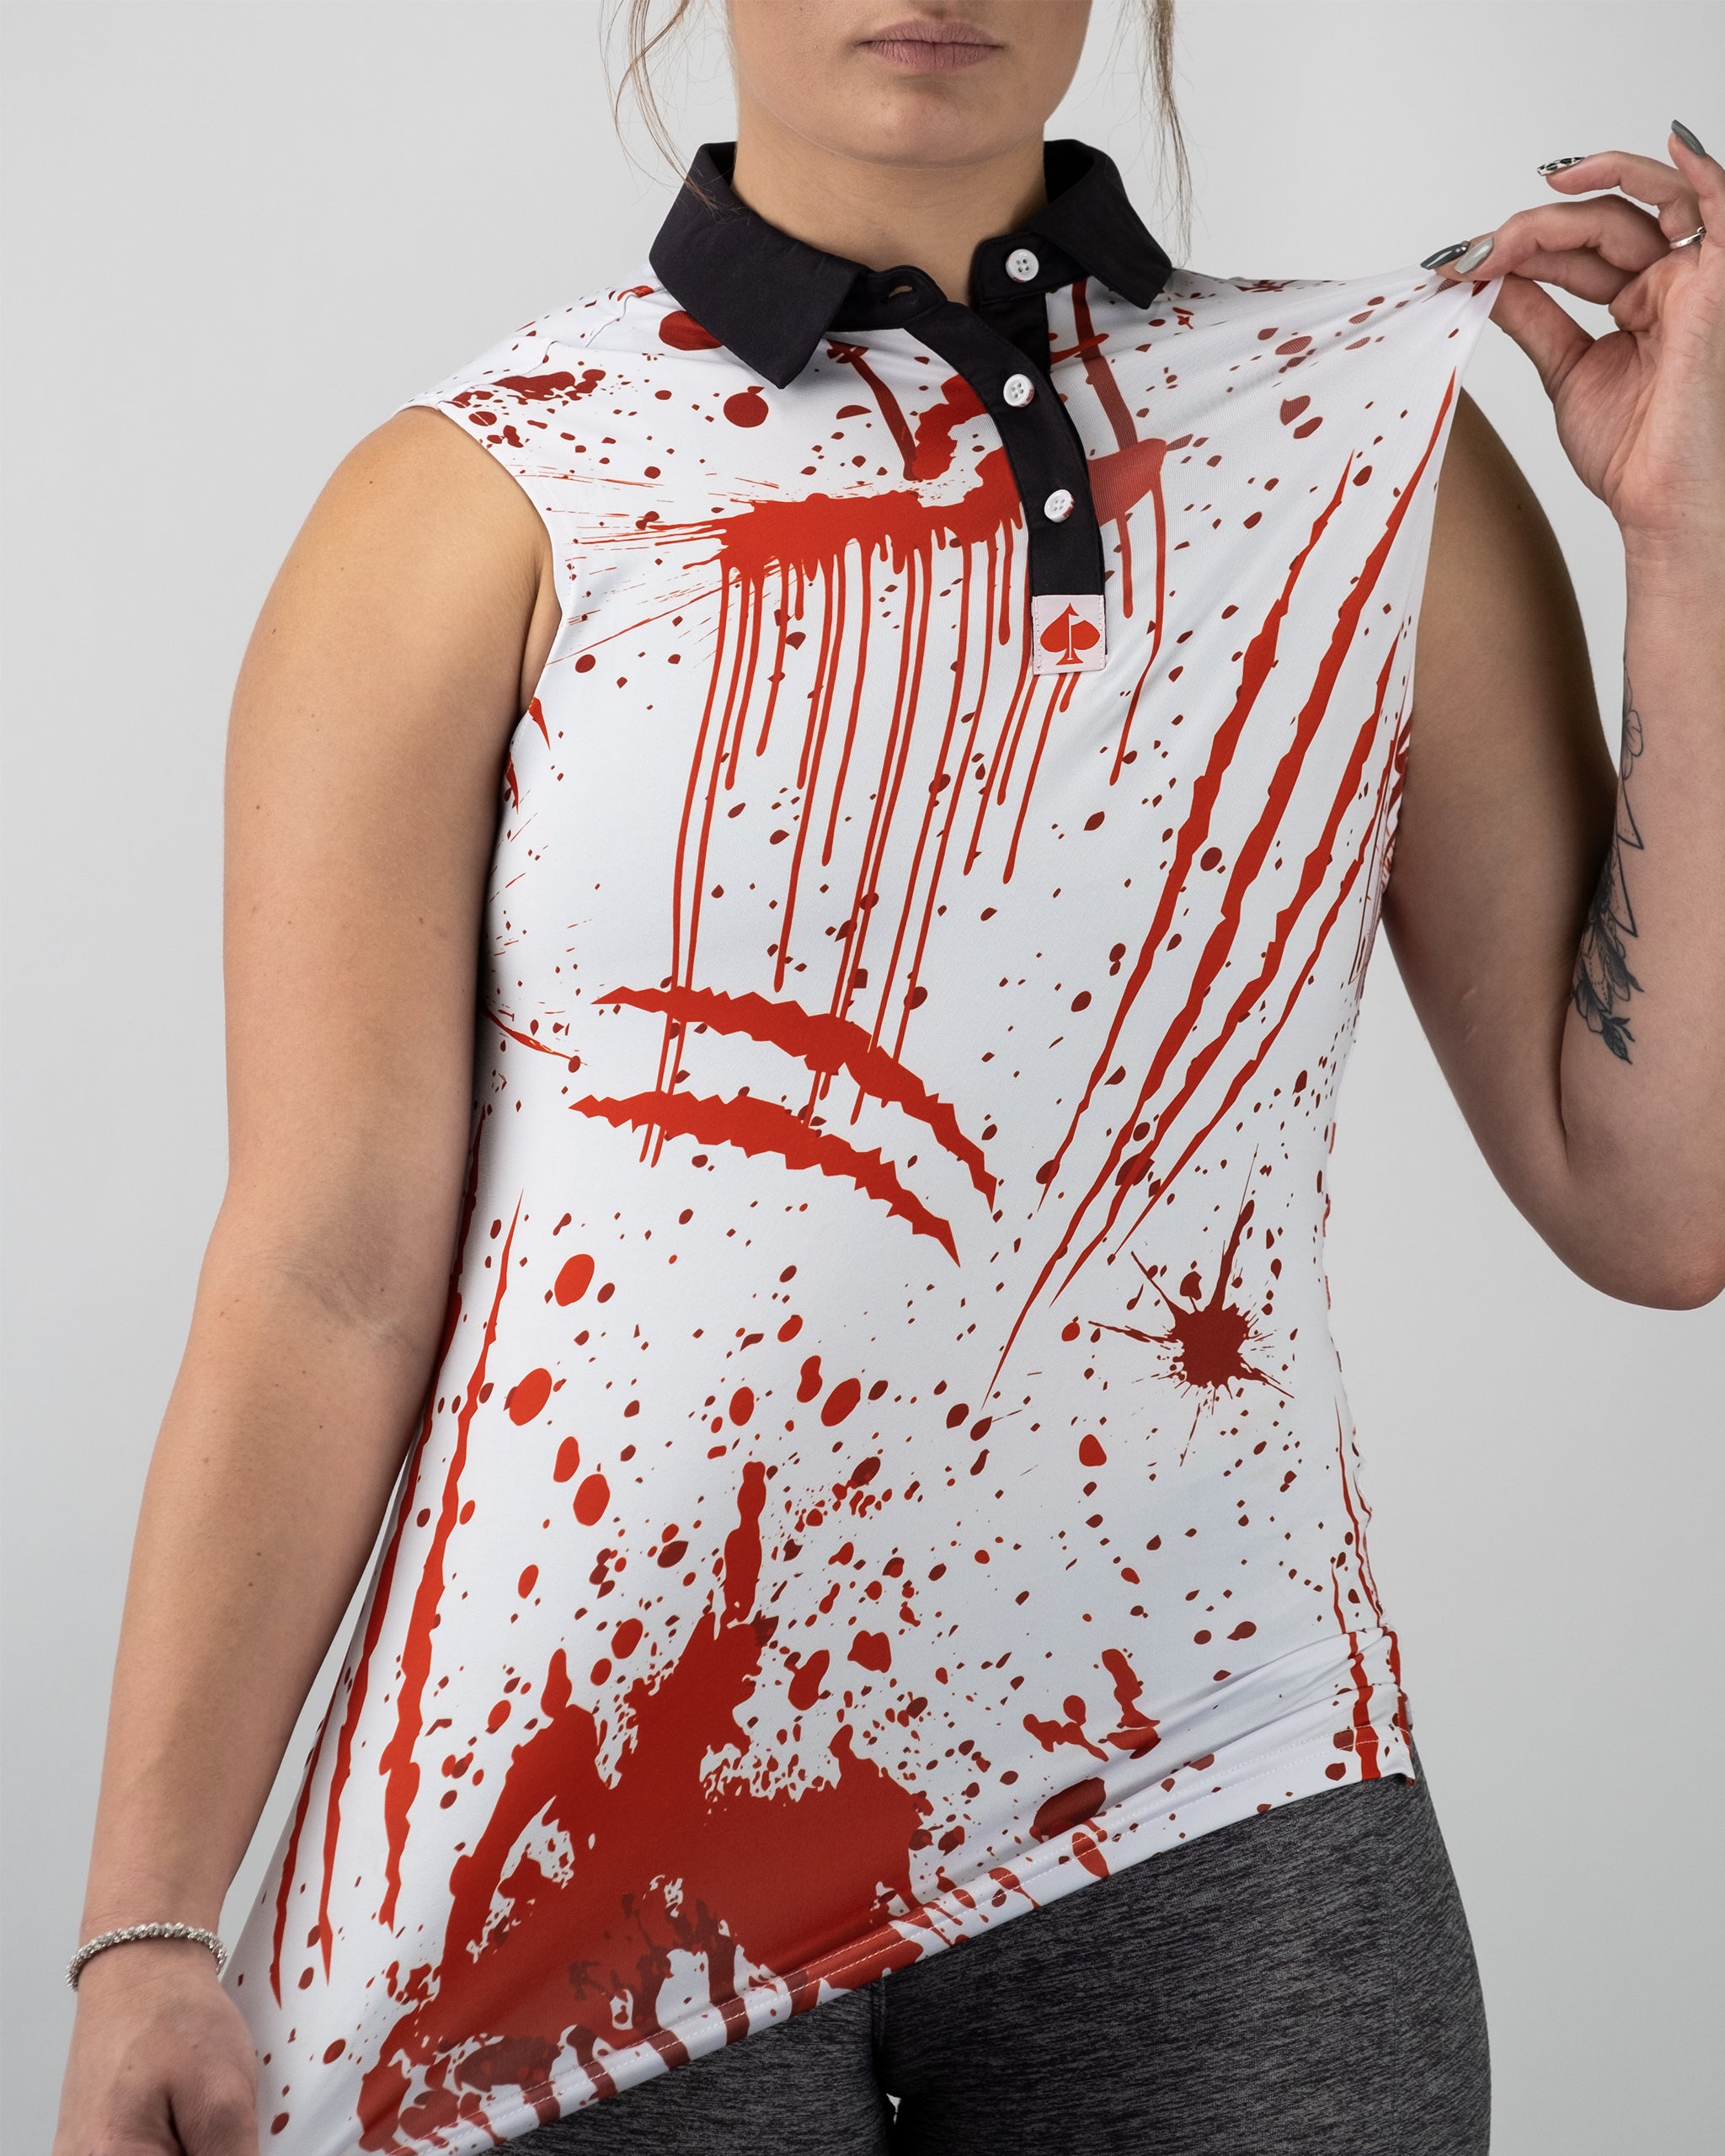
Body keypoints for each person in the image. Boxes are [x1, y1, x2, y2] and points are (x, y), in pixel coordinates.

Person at [51, 5, 1723, 2153]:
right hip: (554, 1868)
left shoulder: (1361, 442)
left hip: (1225, 1811)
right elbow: (324, 1272)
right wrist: (143, 1926)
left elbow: (1652, 1196)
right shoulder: (484, 490)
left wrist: (1686, 548)